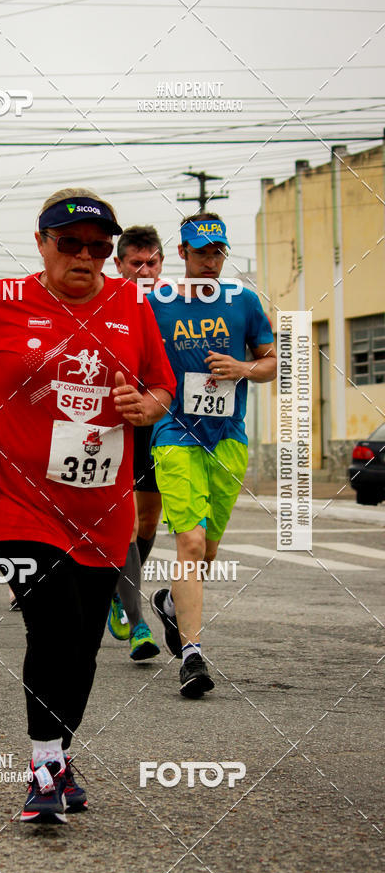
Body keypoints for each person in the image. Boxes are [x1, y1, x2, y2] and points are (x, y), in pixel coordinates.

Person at [0, 188, 175, 824]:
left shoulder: (131, 303)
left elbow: (161, 385)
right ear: (42, 243)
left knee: (87, 643)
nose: (86, 257)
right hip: (18, 500)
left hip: (103, 504)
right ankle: (43, 769)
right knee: (53, 624)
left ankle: (59, 757)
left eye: (99, 248)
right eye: (71, 244)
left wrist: (148, 407)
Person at [148, 212, 276, 698]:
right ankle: (193, 655)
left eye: (218, 251)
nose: (211, 260)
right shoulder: (156, 303)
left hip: (228, 438)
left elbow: (270, 362)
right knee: (192, 545)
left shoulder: (243, 300)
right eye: (201, 252)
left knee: (210, 550)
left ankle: (170, 602)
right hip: (174, 433)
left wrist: (242, 367)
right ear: (181, 254)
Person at [106, 225, 166, 660]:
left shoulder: (172, 305)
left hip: (159, 421)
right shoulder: (106, 300)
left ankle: (115, 584)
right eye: (136, 264)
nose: (146, 271)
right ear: (119, 264)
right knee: (125, 522)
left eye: (153, 262)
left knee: (147, 522)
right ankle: (139, 621)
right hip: (115, 421)